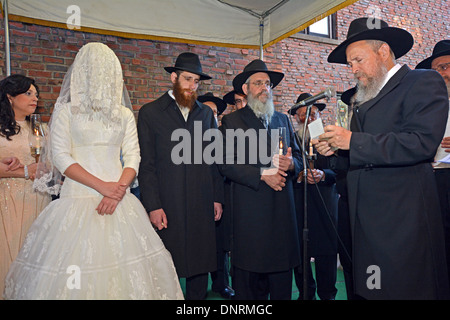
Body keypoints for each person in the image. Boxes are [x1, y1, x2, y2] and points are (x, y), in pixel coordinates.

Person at [3, 42, 183, 300]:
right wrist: (105, 188)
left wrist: (116, 191)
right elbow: (62, 157)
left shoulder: (123, 114)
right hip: (78, 198)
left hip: (119, 200)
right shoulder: (66, 111)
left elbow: (134, 155)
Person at [313, 17, 450, 299]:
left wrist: (352, 141)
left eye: (358, 60)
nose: (353, 69)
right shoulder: (364, 97)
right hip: (365, 222)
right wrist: (336, 148)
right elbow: (363, 149)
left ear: (383, 52)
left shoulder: (423, 81)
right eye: (350, 64)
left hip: (404, 221)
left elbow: (421, 142)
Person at [137, 52, 224, 300]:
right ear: (173, 77)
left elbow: (213, 160)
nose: (192, 86)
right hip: (167, 203)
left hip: (201, 201)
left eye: (196, 81)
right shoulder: (150, 113)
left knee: (200, 267)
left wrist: (217, 198)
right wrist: (153, 205)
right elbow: (147, 165)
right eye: (187, 79)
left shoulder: (205, 114)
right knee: (166, 267)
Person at [219, 59, 302, 300]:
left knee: (281, 290)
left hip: (282, 219)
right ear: (245, 89)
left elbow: (297, 156)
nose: (264, 88)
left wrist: (293, 164)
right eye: (258, 83)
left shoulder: (283, 120)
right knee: (249, 293)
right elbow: (225, 163)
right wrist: (263, 174)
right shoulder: (232, 122)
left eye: (267, 83)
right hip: (251, 221)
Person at [0, 74, 51, 298]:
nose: (35, 99)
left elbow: (52, 164)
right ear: (10, 96)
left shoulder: (41, 129)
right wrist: (24, 171)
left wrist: (45, 168)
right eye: (28, 93)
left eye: (36, 95)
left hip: (38, 199)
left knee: (37, 257)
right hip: (8, 200)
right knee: (10, 255)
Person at [289, 93, 339, 300]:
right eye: (302, 115)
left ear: (319, 115)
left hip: (325, 206)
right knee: (301, 255)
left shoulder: (332, 138)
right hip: (300, 206)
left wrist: (323, 174)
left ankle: (327, 294)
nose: (307, 119)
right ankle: (305, 294)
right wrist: (298, 174)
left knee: (326, 256)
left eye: (312, 114)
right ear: (297, 118)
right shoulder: (292, 138)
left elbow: (341, 170)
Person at [416, 39, 450, 287]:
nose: (443, 73)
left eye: (448, 66)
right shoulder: (424, 106)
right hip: (433, 182)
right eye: (438, 68)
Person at [197, 92, 234, 299]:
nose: (211, 115)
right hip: (196, 199)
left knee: (221, 244)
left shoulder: (223, 136)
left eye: (215, 112)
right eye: (207, 111)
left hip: (220, 197)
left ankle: (222, 284)